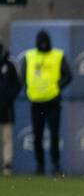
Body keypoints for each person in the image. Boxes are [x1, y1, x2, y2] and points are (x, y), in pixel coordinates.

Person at [20, 30, 73, 176]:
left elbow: (68, 75)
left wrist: (58, 86)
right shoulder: (29, 56)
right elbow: (23, 76)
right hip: (36, 102)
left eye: (45, 41)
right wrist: (28, 88)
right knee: (37, 135)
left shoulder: (58, 55)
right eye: (41, 41)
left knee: (54, 134)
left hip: (53, 102)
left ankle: (56, 165)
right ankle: (40, 166)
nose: (43, 44)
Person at [0, 41, 18, 175]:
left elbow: (17, 85)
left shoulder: (10, 65)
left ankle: (7, 165)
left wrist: (8, 98)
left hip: (6, 108)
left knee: (7, 137)